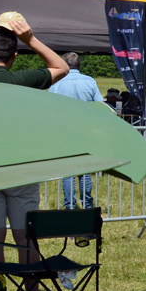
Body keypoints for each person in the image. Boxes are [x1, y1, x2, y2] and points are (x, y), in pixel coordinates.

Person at [0, 14, 69, 291]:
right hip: (22, 170)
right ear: (14, 56)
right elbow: (61, 67)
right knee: (26, 239)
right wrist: (31, 39)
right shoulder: (25, 80)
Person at [48, 52, 103, 210]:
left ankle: (70, 206)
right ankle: (87, 205)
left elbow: (50, 107)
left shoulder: (56, 82)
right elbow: (99, 105)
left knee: (69, 170)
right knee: (85, 170)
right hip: (86, 131)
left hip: (65, 131)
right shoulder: (90, 81)